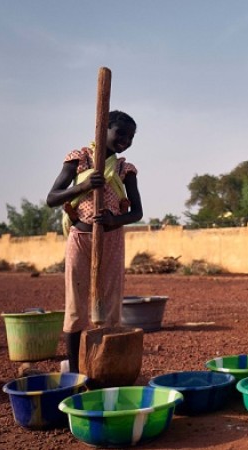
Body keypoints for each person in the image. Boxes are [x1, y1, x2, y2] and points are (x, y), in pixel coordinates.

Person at [46, 110, 142, 373]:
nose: (125, 140)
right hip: (80, 238)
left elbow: (137, 213)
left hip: (111, 240)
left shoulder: (124, 169)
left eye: (131, 137)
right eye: (120, 133)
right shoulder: (80, 160)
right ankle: (76, 371)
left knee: (110, 303)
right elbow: (52, 198)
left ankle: (105, 367)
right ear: (103, 130)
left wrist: (113, 220)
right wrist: (84, 186)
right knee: (76, 304)